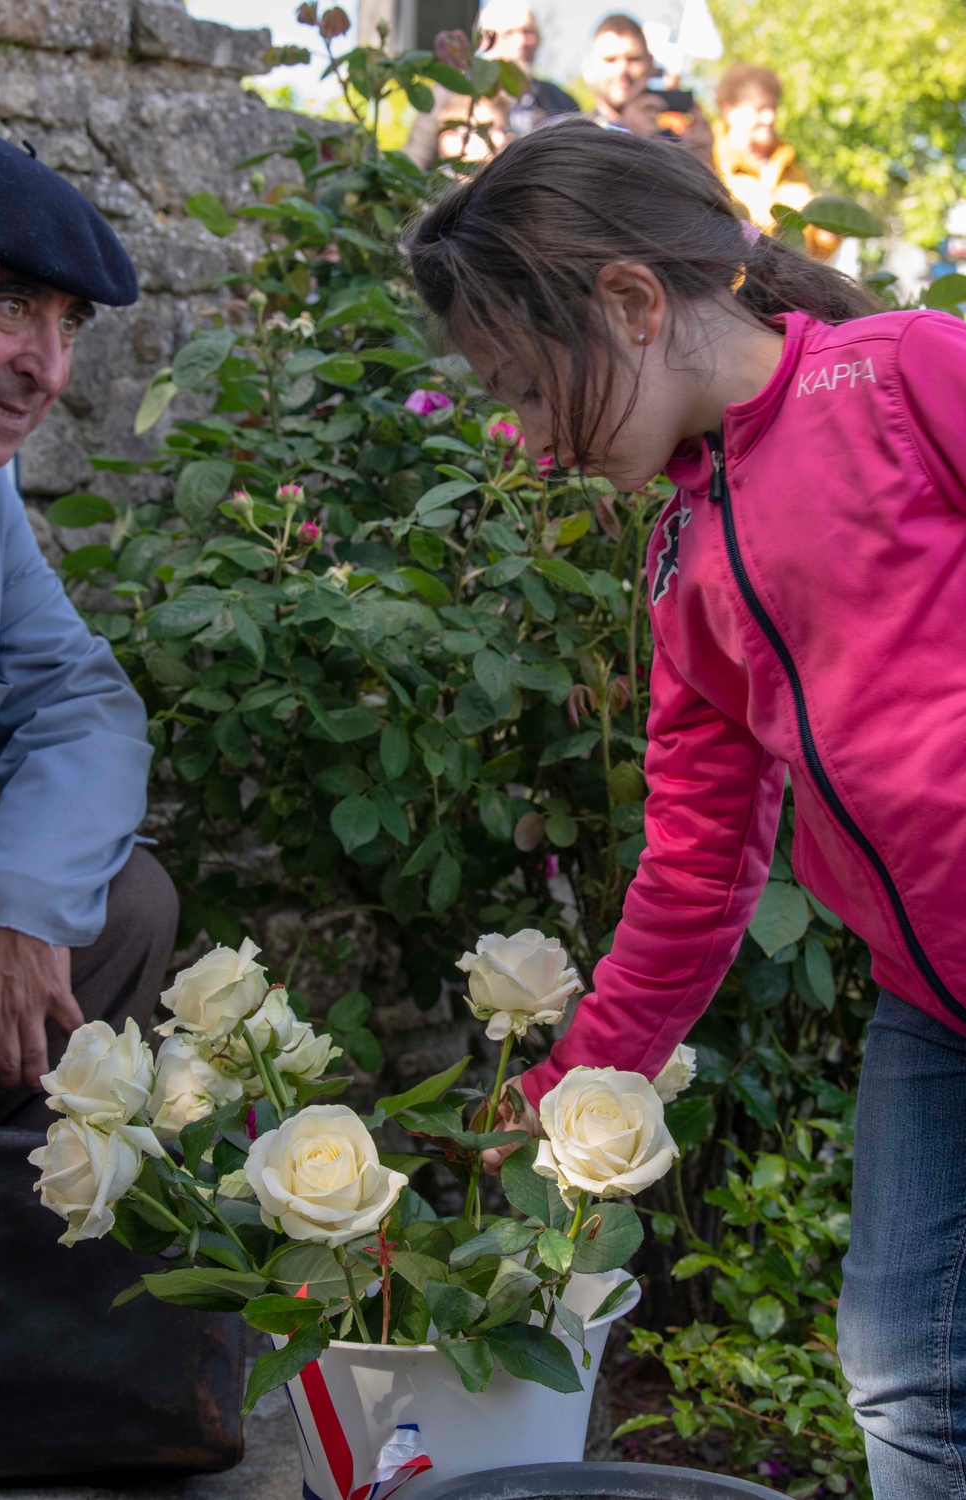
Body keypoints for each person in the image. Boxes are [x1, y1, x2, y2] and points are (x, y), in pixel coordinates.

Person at [409, 117, 966, 1497]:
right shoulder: (679, 561)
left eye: (529, 392)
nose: (527, 442)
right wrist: (555, 1092)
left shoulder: (903, 376)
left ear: (635, 304)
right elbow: (696, 875)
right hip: (936, 1006)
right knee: (910, 1380)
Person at [0, 123, 177, 1132]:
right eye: (11, 306)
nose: (47, 369)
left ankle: (10, 1260)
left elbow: (77, 699)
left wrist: (20, 904)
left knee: (123, 904)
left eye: (69, 322)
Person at [403, 0, 579, 171]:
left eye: (528, 32)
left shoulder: (561, 101)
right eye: (509, 33)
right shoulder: (452, 89)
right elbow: (414, 163)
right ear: (485, 40)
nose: (521, 42)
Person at [713, 62, 839, 261]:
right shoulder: (709, 160)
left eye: (772, 108)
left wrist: (827, 236)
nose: (770, 117)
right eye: (760, 109)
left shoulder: (788, 163)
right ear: (730, 111)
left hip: (786, 288)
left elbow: (812, 250)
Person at [584, 13, 713, 170]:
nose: (622, 69)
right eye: (610, 60)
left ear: (651, 63)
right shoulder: (577, 136)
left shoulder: (678, 139)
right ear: (591, 66)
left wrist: (701, 159)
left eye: (633, 58)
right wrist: (634, 138)